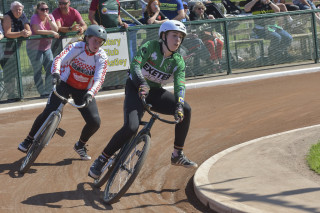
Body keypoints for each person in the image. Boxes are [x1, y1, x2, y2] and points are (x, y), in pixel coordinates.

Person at [89, 20, 198, 179]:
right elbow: (135, 65)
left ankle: (177, 154)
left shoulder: (178, 60)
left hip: (154, 91)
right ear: (163, 35)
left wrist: (179, 105)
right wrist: (142, 84)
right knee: (132, 126)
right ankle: (102, 159)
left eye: (180, 37)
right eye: (174, 35)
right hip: (135, 86)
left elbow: (180, 84)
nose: (177, 40)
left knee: (186, 109)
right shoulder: (151, 46)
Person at [18, 25, 108, 161]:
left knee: (95, 122)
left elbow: (99, 78)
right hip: (65, 83)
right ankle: (28, 139)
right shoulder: (77, 47)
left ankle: (80, 145)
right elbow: (58, 59)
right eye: (95, 40)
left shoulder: (101, 57)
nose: (97, 44)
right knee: (48, 110)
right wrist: (56, 74)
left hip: (83, 90)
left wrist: (91, 93)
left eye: (100, 42)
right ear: (87, 38)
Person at [26, 1, 60, 98]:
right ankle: (42, 92)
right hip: (34, 48)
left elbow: (56, 29)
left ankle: (49, 90)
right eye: (42, 9)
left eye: (46, 9)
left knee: (50, 68)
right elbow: (37, 31)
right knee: (38, 70)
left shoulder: (50, 16)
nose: (45, 11)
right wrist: (51, 32)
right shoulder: (34, 17)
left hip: (46, 47)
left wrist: (49, 19)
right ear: (38, 10)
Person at [1, 1, 31, 101]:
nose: (18, 11)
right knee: (8, 73)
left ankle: (15, 94)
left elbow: (29, 30)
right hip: (5, 50)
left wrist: (27, 33)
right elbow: (7, 33)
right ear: (12, 10)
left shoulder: (23, 16)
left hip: (15, 49)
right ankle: (11, 95)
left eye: (20, 9)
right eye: (16, 9)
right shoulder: (7, 17)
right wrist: (21, 33)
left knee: (14, 72)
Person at [190, 2, 224, 71]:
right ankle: (213, 63)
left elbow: (211, 27)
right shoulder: (192, 16)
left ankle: (217, 61)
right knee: (210, 43)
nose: (201, 10)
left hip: (208, 36)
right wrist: (207, 22)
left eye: (202, 9)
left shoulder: (204, 15)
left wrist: (212, 20)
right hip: (199, 37)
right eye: (199, 9)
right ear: (195, 9)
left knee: (219, 42)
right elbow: (198, 29)